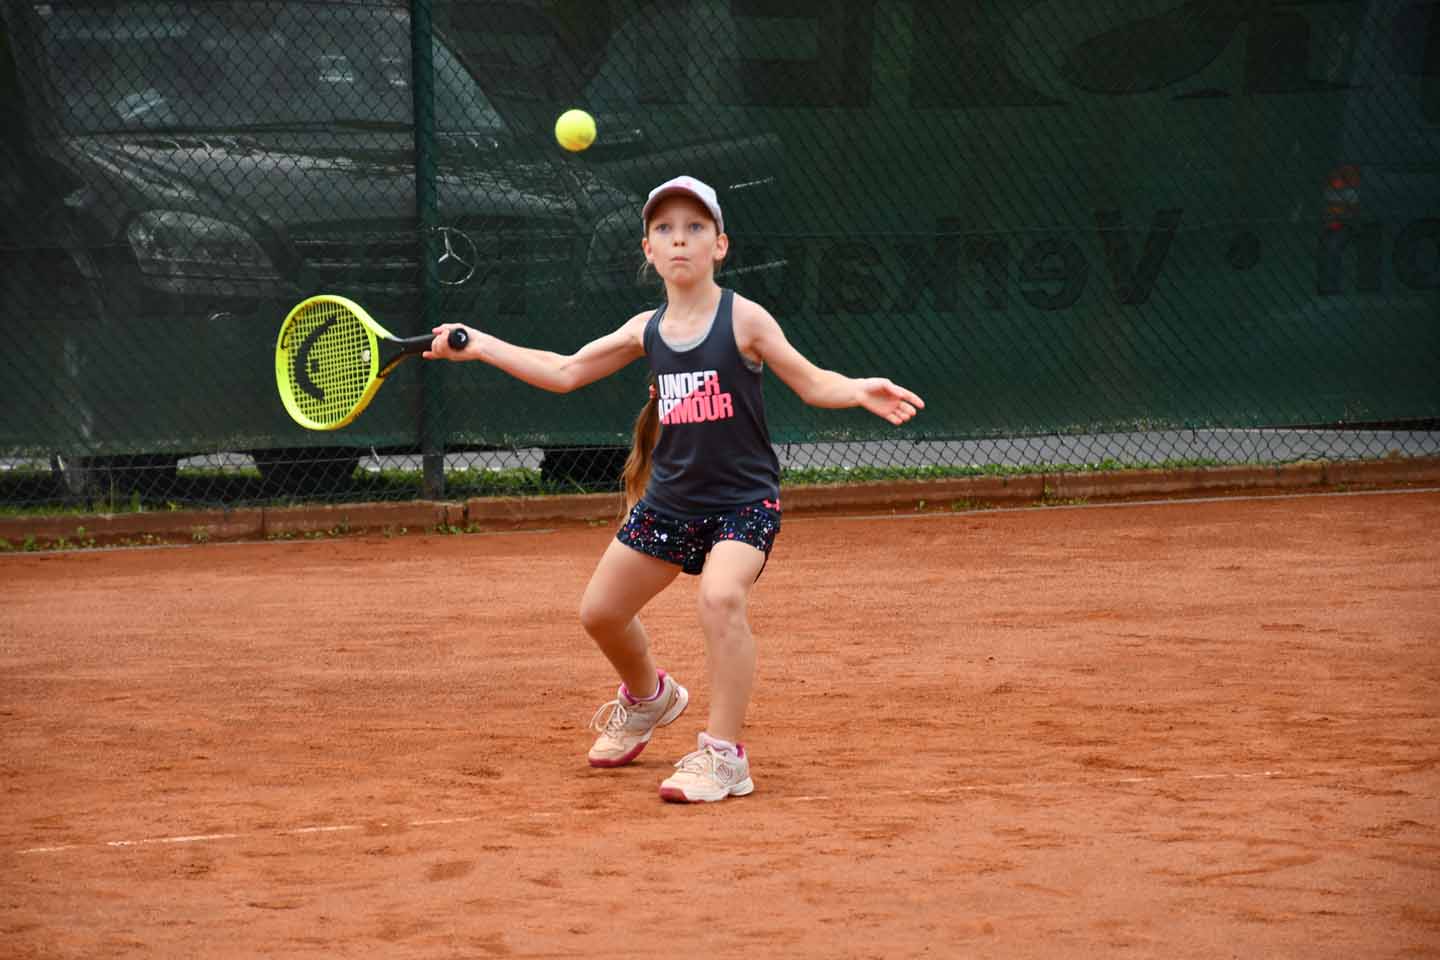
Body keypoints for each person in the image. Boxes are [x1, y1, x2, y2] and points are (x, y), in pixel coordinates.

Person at [426, 175, 924, 803]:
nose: (679, 239)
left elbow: (811, 381)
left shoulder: (745, 319)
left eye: (694, 227)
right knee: (601, 613)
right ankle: (649, 699)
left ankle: (724, 756)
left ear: (720, 245)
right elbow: (566, 370)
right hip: (670, 504)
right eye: (664, 229)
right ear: (648, 250)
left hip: (742, 504)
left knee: (720, 597)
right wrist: (481, 345)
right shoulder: (647, 329)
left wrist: (856, 389)